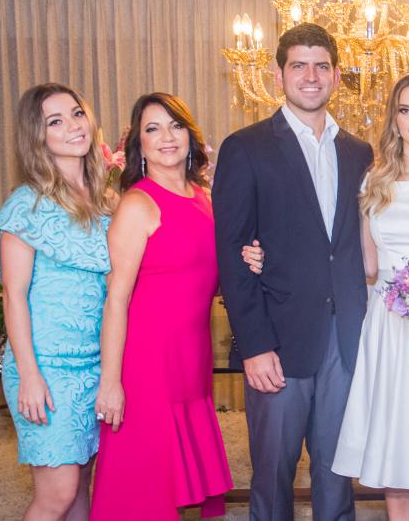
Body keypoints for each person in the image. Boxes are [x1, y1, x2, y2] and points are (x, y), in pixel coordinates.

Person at [243, 72, 409, 520]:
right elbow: (363, 263)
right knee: (395, 449)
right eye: (405, 110)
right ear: (394, 120)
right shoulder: (375, 180)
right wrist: (271, 254)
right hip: (388, 329)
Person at [212, 23, 373, 520]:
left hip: (345, 339)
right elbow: (232, 254)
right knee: (273, 475)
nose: (310, 76)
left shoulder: (360, 153)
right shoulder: (246, 147)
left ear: (337, 76)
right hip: (277, 341)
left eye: (321, 66)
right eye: (298, 65)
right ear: (278, 74)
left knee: (338, 472)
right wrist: (254, 344)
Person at [90, 92, 232, 520]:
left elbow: (207, 276)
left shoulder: (204, 198)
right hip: (147, 360)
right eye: (153, 129)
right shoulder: (138, 204)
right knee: (144, 484)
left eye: (175, 126)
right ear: (140, 145)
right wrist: (111, 382)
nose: (167, 137)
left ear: (190, 135)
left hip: (191, 355)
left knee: (174, 481)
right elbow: (116, 300)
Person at [0, 83, 113, 520]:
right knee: (57, 495)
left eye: (76, 113)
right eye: (55, 121)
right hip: (46, 368)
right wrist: (29, 376)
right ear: (37, 136)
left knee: (82, 486)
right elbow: (14, 298)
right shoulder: (26, 206)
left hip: (95, 365)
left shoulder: (106, 201)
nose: (73, 126)